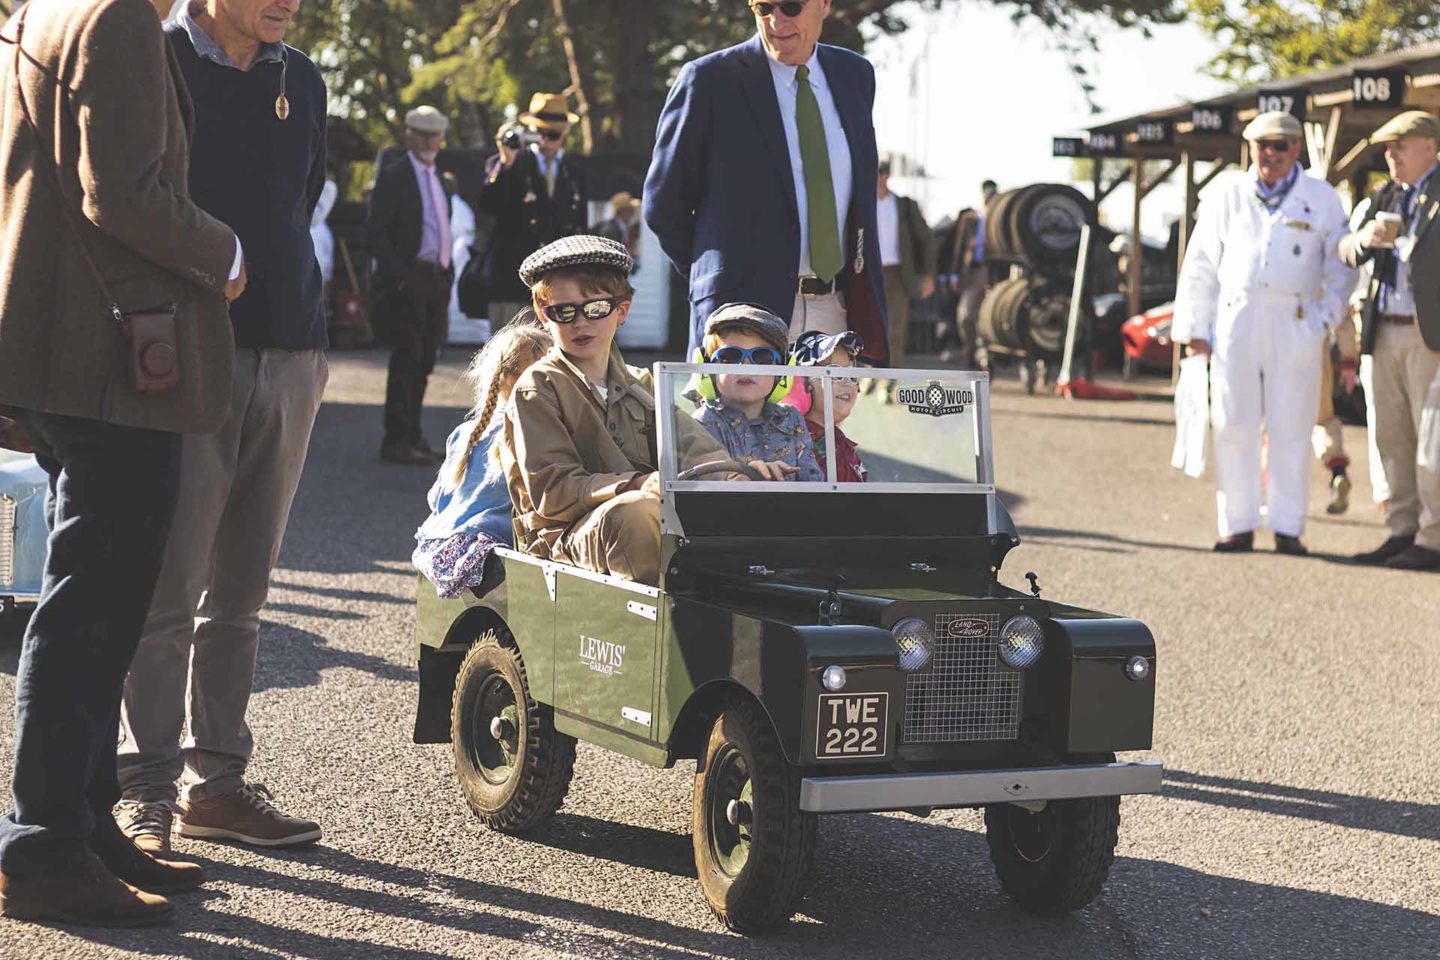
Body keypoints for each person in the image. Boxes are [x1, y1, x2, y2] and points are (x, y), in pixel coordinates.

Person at [0, 0, 245, 927]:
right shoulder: (121, 20)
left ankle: (81, 823)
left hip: (54, 354)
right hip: (109, 366)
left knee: (86, 602)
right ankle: (46, 843)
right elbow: (122, 192)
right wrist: (224, 251)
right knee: (93, 606)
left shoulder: (42, 12)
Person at [110, 0, 329, 858]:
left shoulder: (301, 78)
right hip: (187, 356)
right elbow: (129, 202)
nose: (290, 2)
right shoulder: (153, 61)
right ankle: (146, 789)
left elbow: (299, 200)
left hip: (296, 351)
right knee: (167, 588)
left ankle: (220, 785)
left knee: (241, 591)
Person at [643, 0, 888, 363]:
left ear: (824, 5)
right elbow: (663, 204)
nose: (776, 19)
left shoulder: (855, 75)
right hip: (740, 320)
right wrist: (722, 275)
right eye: (763, 6)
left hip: (836, 314)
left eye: (790, 6)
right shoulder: (710, 79)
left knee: (830, 423)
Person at [501, 236, 736, 587]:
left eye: (595, 308)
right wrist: (637, 484)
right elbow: (554, 491)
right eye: (564, 312)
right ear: (543, 316)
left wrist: (737, 478)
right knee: (636, 513)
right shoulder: (539, 388)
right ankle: (670, 629)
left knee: (732, 505)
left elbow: (696, 451)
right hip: (563, 539)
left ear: (621, 311)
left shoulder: (642, 384)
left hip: (638, 521)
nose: (581, 322)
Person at [1172, 111, 1354, 555]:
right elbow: (1200, 262)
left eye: (1280, 145)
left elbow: (1341, 264)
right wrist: (1195, 328)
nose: (1270, 154)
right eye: (1261, 145)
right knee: (1234, 421)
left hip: (1295, 319)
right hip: (1236, 317)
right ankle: (1237, 523)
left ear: (1296, 148)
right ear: (1250, 148)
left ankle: (1288, 525)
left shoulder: (1321, 197)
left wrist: (1324, 318)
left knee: (1291, 423)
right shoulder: (1227, 193)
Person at [1339, 110, 1440, 571]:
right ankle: (1401, 529)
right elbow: (1343, 251)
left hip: (1429, 337)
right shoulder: (1384, 195)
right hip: (1384, 331)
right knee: (1391, 436)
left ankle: (1433, 537)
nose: (1390, 154)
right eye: (1388, 146)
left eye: (1400, 144)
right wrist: (1364, 240)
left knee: (1432, 440)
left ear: (1429, 146)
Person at [414, 316, 552, 598]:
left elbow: (436, 498)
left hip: (440, 543)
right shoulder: (535, 433)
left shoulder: (466, 432)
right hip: (491, 551)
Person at [369, 105, 456, 465]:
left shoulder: (441, 179)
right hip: (411, 278)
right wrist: (400, 277)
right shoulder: (394, 175)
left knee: (425, 358)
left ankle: (413, 433)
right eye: (424, 134)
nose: (431, 142)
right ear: (409, 135)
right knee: (406, 358)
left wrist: (446, 273)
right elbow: (376, 232)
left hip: (436, 277)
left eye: (435, 135)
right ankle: (396, 438)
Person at [479, 92, 590, 331]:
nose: (546, 141)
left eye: (553, 135)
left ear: (564, 135)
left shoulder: (574, 172)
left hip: (558, 284)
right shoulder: (510, 163)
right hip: (513, 280)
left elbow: (580, 226)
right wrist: (506, 162)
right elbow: (488, 205)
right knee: (510, 357)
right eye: (539, 133)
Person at [691, 303, 822, 481]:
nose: (746, 367)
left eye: (762, 358)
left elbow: (812, 482)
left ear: (783, 371)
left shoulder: (791, 418)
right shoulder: (701, 422)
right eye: (729, 357)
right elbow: (704, 483)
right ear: (706, 368)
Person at [876, 160, 935, 368]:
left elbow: (925, 239)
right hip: (869, 274)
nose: (877, 178)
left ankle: (890, 376)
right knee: (869, 326)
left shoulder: (903, 205)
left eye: (881, 173)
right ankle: (870, 374)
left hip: (898, 274)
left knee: (895, 329)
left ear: (887, 176)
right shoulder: (862, 203)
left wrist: (928, 275)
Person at [788, 329, 867, 482]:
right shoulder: (792, 445)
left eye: (852, 375)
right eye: (833, 373)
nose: (847, 382)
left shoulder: (841, 443)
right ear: (801, 383)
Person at [943, 179, 996, 368]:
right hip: (970, 271)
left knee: (985, 315)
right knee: (965, 315)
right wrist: (954, 274)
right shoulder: (971, 219)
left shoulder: (999, 220)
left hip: (989, 271)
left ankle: (984, 355)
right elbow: (959, 247)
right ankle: (970, 350)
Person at [1313, 312, 1359, 514]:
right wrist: (1348, 358)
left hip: (1277, 347)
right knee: (1323, 419)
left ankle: (1277, 499)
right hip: (1315, 346)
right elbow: (1341, 312)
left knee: (1275, 425)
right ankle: (1337, 472)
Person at [596, 191, 642, 268]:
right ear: (621, 211)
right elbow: (608, 255)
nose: (633, 212)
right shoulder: (610, 230)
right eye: (630, 210)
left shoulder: (625, 228)